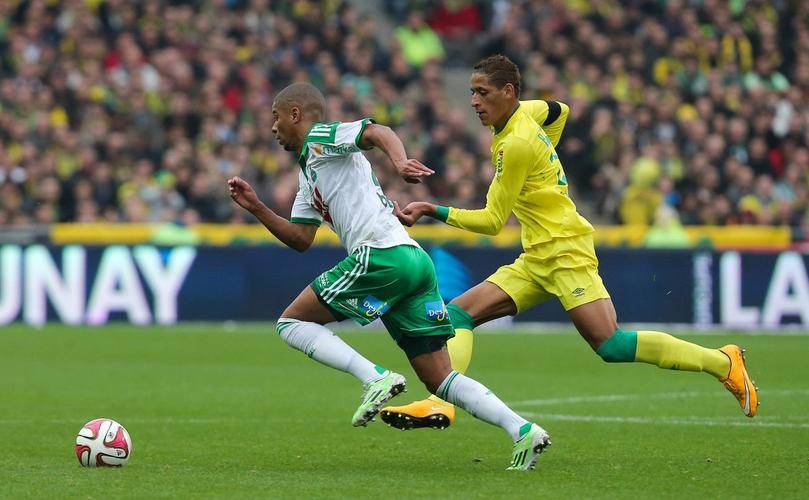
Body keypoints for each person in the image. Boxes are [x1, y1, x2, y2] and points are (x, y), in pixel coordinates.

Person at [382, 55, 758, 430]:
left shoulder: (516, 144)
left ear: (508, 92)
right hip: (538, 255)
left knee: (611, 345)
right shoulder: (524, 115)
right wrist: (545, 159)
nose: (474, 102)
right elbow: (559, 111)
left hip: (565, 251)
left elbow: (493, 222)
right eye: (471, 92)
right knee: (458, 315)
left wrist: (431, 209)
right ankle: (441, 403)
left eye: (483, 93)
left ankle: (722, 362)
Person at [228, 82, 551, 470]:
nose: (272, 127)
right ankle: (523, 430)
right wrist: (257, 207)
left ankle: (374, 377)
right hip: (413, 261)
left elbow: (376, 131)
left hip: (380, 256)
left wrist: (399, 162)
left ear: (295, 114)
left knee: (291, 323)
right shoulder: (308, 175)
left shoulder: (319, 137)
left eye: (276, 117)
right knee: (439, 378)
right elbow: (300, 239)